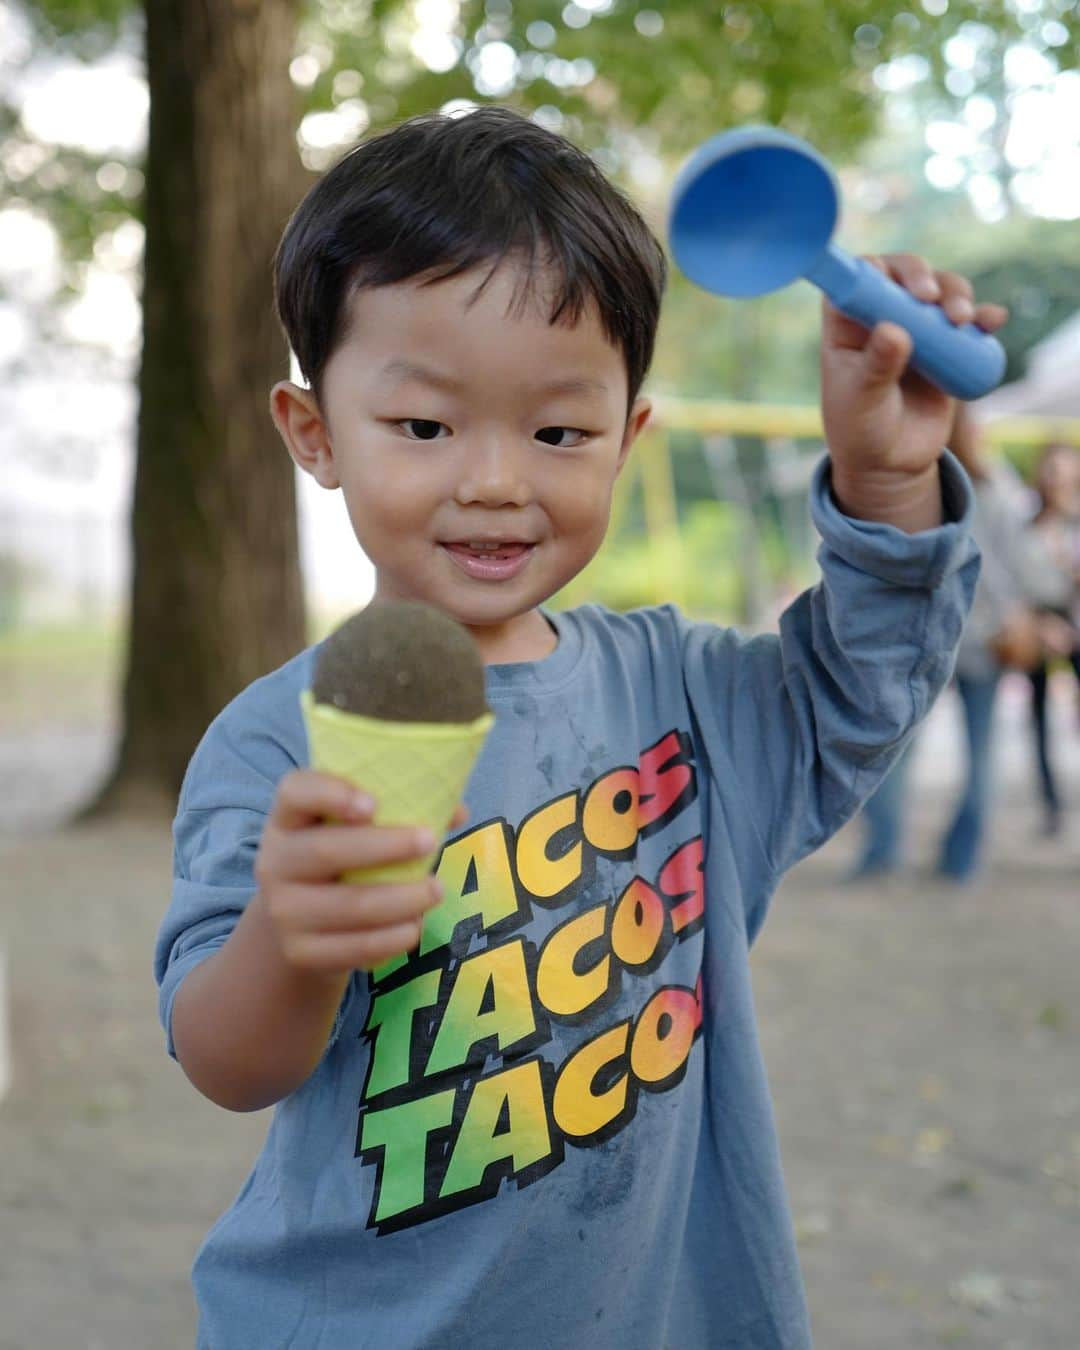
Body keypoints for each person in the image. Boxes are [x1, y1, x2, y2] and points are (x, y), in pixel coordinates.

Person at [154, 108, 1004, 1349]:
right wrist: (292, 935)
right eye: (426, 426)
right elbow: (228, 1064)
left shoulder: (687, 695)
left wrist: (884, 482)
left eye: (559, 432)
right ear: (314, 432)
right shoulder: (276, 739)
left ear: (627, 440)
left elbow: (862, 690)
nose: (496, 478)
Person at [852, 404, 1072, 881]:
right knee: (980, 754)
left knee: (893, 750)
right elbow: (1027, 570)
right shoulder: (992, 491)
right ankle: (962, 861)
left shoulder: (908, 491)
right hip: (983, 640)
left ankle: (883, 851)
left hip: (921, 641)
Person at [1026, 441, 1080, 834]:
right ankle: (1051, 805)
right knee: (1038, 721)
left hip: (1074, 624)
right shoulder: (1029, 525)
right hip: (1039, 626)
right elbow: (1018, 580)